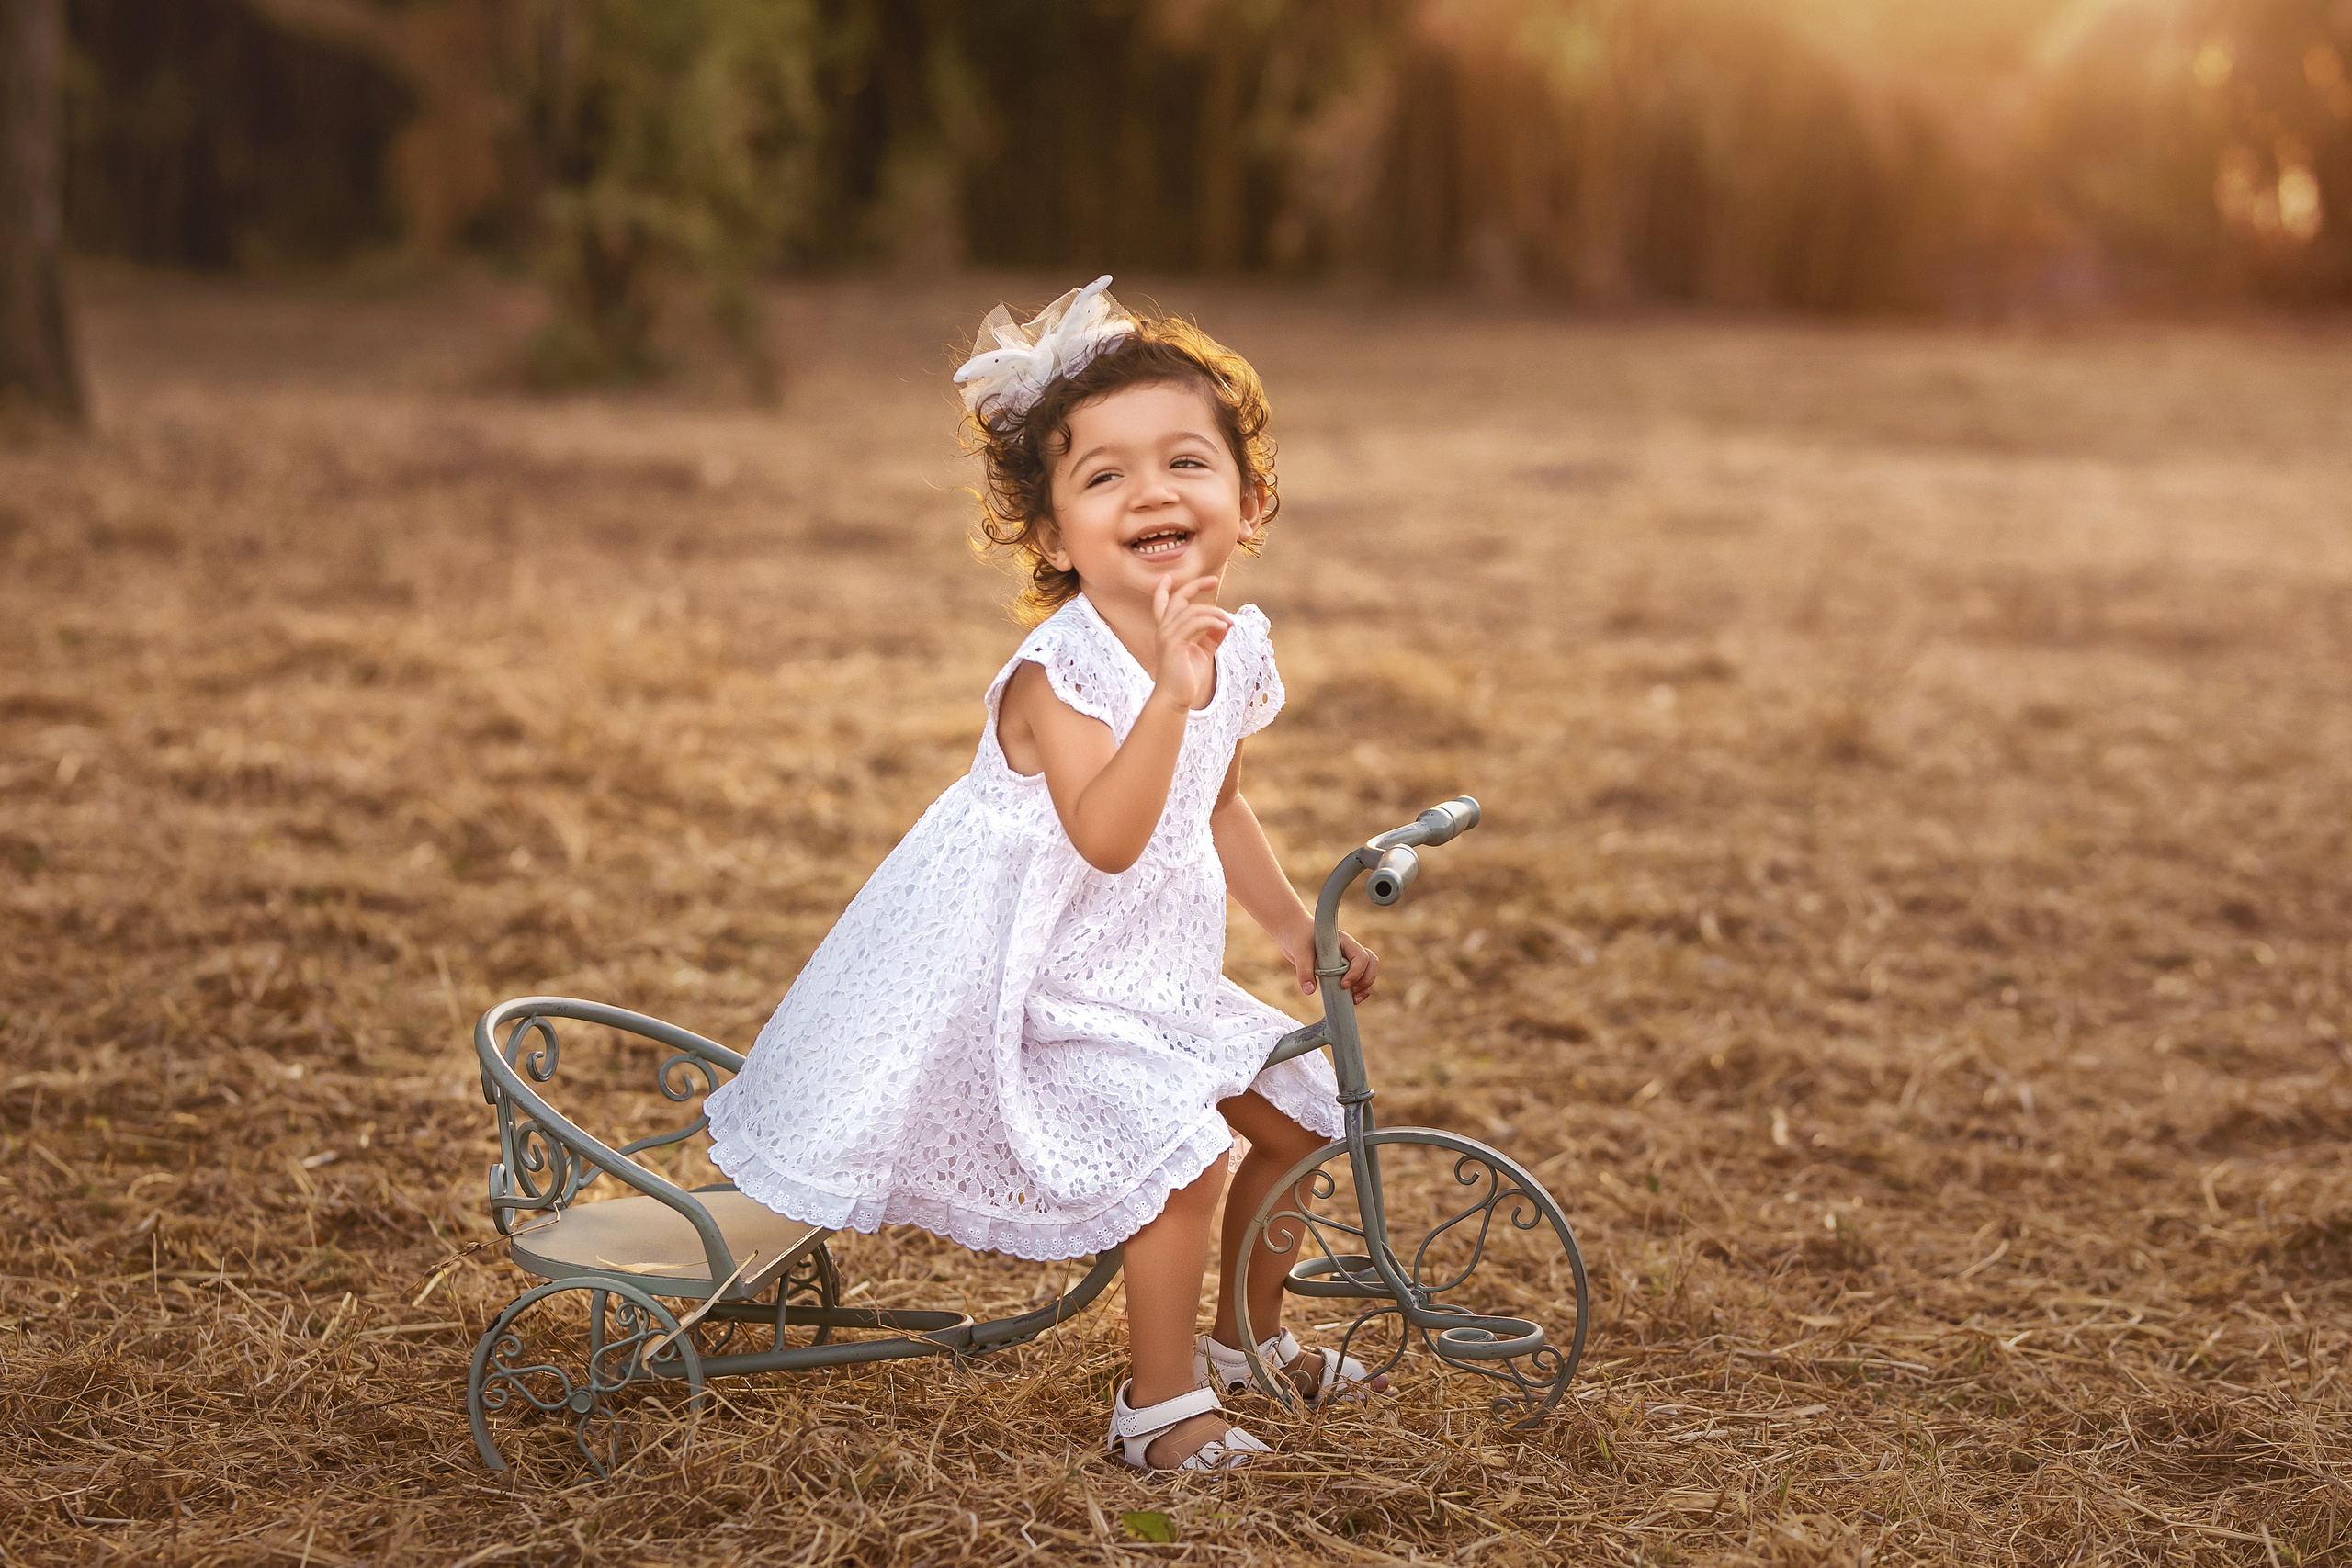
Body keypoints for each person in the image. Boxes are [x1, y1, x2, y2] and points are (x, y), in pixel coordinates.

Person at [706, 277, 1384, 1472]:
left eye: (1185, 461)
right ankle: (1161, 1405)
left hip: (1147, 982)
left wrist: (1289, 928)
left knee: (1297, 1118)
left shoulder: (1231, 648)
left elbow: (1216, 800)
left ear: (1250, 497)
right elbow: (1114, 835)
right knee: (1182, 1152)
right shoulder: (1056, 675)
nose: (1151, 492)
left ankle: (1247, 1336)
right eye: (1104, 476)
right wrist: (1169, 695)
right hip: (1029, 997)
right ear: (1053, 533)